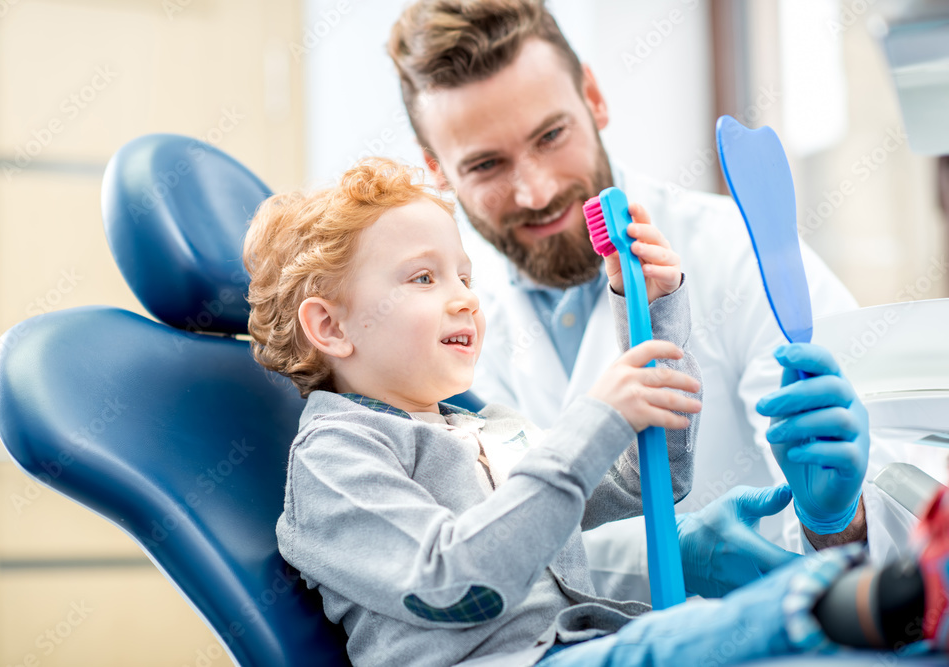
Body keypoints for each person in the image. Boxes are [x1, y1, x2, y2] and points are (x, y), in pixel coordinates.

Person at [242, 158, 943, 666]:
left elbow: (648, 479)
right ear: (330, 327)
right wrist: (599, 414)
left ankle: (882, 607)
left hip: (582, 644)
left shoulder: (473, 426)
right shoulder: (336, 458)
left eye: (465, 275)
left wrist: (653, 312)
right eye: (424, 277)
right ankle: (875, 595)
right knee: (668, 647)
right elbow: (457, 586)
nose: (463, 298)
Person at [385, 0, 916, 591]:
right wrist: (661, 556)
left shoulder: (738, 252)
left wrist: (840, 519)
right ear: (437, 170)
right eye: (486, 164)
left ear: (594, 97)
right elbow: (479, 556)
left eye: (551, 135)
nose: (535, 191)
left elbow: (906, 519)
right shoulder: (445, 334)